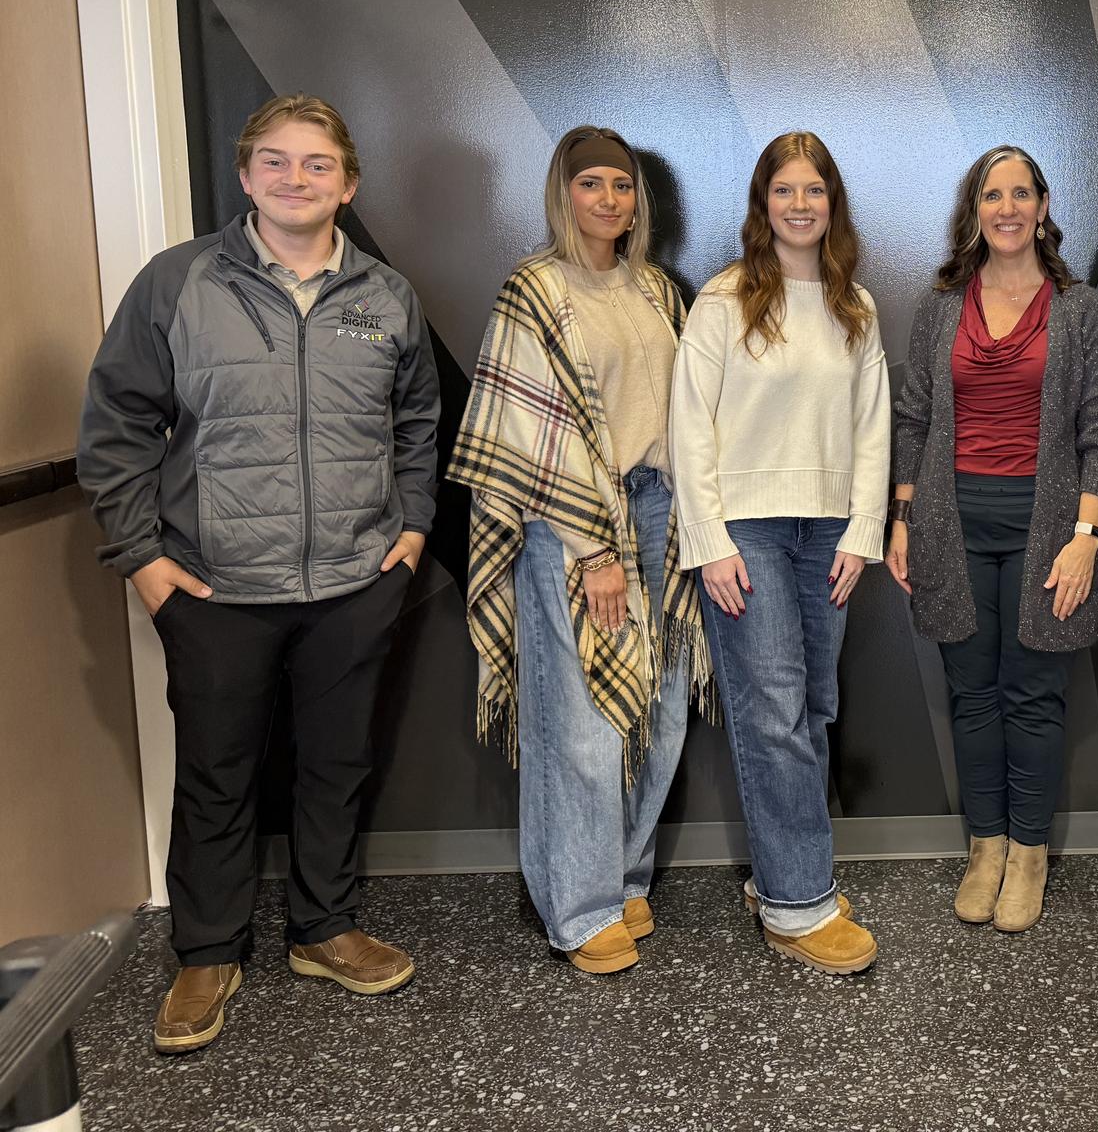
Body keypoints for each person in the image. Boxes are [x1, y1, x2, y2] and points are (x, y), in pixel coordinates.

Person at [77, 94, 439, 1053]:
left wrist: (408, 537)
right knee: (217, 774)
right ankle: (207, 951)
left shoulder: (385, 298)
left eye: (317, 165)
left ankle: (322, 930)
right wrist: (145, 563)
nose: (295, 179)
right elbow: (114, 429)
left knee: (337, 765)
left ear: (347, 185)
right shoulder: (177, 285)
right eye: (275, 162)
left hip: (356, 584)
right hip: (215, 587)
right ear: (244, 178)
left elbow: (415, 428)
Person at [448, 126, 710, 974]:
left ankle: (625, 879)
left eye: (623, 185)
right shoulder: (535, 290)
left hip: (662, 513)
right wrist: (592, 547)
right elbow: (527, 436)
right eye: (592, 183)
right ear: (564, 193)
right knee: (585, 721)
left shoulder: (658, 292)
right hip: (575, 526)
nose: (609, 200)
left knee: (661, 708)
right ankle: (579, 902)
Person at [887, 146, 1098, 933]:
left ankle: (1028, 854)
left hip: (1047, 528)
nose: (1009, 208)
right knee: (972, 695)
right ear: (976, 209)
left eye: (1022, 193)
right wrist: (902, 517)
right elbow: (913, 417)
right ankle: (984, 847)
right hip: (952, 528)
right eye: (994, 195)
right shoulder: (941, 304)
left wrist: (1087, 533)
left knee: (1032, 696)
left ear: (1045, 205)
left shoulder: (1078, 306)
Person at [668, 131, 890, 974]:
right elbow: (689, 431)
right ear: (764, 204)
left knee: (814, 710)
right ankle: (799, 904)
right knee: (770, 715)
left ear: (833, 203)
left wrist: (864, 530)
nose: (801, 204)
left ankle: (782, 878)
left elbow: (873, 429)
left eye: (815, 190)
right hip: (747, 535)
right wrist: (711, 541)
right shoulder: (723, 303)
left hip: (828, 531)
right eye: (785, 190)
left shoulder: (854, 306)